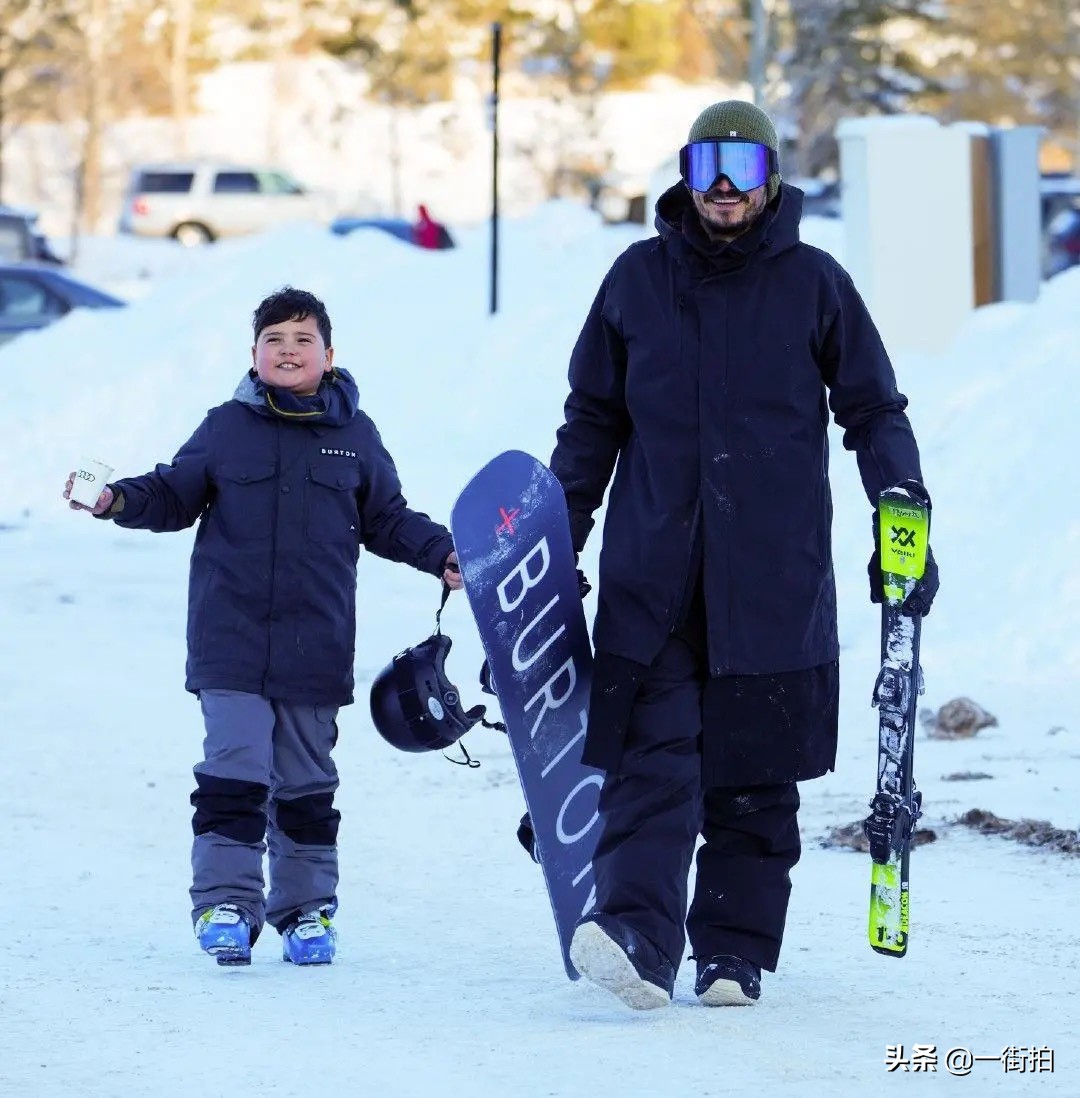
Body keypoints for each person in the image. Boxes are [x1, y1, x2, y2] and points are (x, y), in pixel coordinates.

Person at [549, 101, 939, 1010]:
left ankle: (732, 953)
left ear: (772, 179)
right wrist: (560, 531)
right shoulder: (635, 280)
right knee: (653, 761)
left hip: (772, 575)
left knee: (754, 774)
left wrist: (901, 500)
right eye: (707, 166)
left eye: (744, 168)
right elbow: (592, 421)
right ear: (684, 174)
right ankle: (641, 939)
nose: (724, 188)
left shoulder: (815, 284)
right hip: (657, 574)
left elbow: (874, 409)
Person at [63, 286, 463, 967]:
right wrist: (116, 499)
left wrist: (444, 553)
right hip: (231, 638)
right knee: (236, 768)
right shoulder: (226, 427)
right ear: (254, 354)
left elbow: (389, 518)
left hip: (317, 641)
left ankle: (306, 912)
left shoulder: (355, 438)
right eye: (274, 340)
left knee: (307, 780)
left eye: (302, 340)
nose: (288, 350)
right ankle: (226, 903)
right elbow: (171, 492)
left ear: (328, 356)